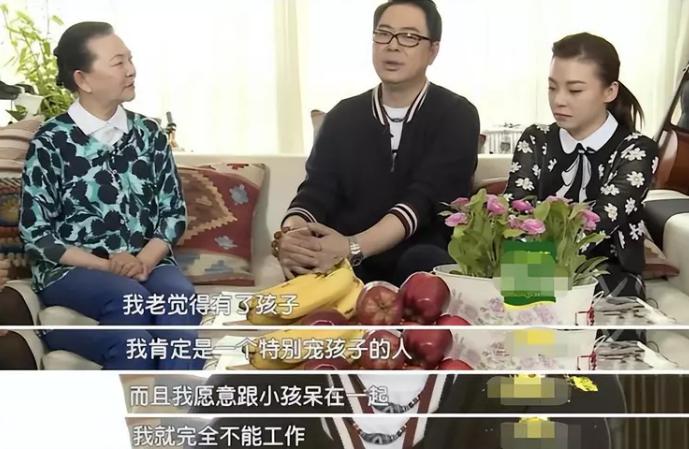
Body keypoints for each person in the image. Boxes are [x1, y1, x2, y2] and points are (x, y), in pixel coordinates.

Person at [18, 22, 201, 370]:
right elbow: (37, 235)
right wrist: (109, 266)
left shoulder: (149, 133)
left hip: (148, 262)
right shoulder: (51, 141)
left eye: (130, 59)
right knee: (129, 298)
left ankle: (177, 402)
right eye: (118, 62)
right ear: (83, 79)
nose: (131, 70)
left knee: (179, 298)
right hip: (72, 269)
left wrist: (143, 261)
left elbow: (173, 213)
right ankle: (125, 400)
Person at [274, 0, 480, 286]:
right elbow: (316, 191)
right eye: (383, 34)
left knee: (422, 262)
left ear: (433, 50)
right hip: (345, 258)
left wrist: (353, 247)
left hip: (420, 259)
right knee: (306, 264)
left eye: (409, 37)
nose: (392, 46)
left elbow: (423, 201)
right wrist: (290, 237)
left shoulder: (457, 114)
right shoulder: (342, 116)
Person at [504, 32, 658, 303]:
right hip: (531, 263)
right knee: (516, 306)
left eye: (575, 90)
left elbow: (599, 223)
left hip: (608, 272)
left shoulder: (636, 149)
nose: (559, 100)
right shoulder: (536, 139)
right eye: (552, 88)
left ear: (610, 91)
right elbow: (515, 210)